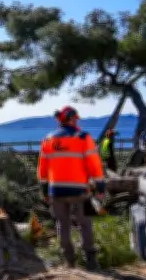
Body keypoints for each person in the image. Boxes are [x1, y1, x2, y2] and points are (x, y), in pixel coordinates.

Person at [38, 106, 106, 271]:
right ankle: (91, 262)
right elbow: (94, 165)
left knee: (63, 224)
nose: (78, 121)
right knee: (85, 224)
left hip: (56, 190)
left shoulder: (48, 139)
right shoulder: (83, 138)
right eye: (76, 118)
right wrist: (100, 186)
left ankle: (69, 262)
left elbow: (42, 169)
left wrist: (44, 190)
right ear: (71, 119)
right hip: (80, 191)